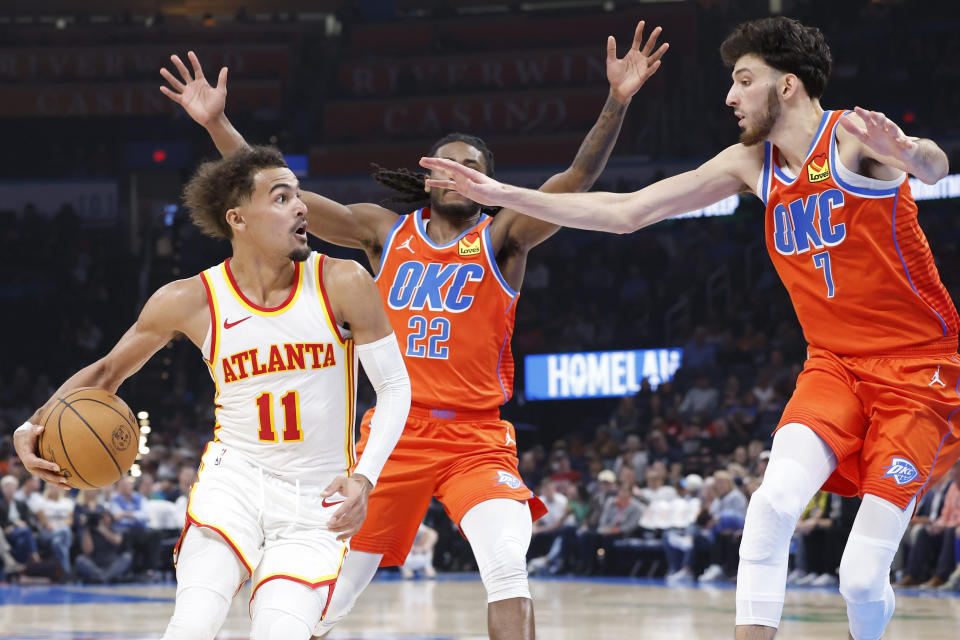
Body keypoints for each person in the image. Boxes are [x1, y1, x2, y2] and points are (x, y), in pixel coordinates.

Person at [419, 16, 957, 640]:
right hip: (833, 364)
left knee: (862, 578)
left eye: (744, 79)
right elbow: (623, 213)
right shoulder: (748, 162)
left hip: (918, 368)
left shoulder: (853, 141)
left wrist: (914, 154)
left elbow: (935, 165)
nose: (730, 96)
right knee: (770, 507)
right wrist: (499, 192)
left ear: (786, 87)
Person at [160, 20, 668, 640]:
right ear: (426, 176)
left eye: (471, 167)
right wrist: (216, 124)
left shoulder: (503, 237)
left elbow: (575, 183)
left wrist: (617, 101)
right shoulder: (381, 231)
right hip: (393, 436)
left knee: (508, 565)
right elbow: (286, 197)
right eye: (446, 164)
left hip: (477, 436)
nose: (457, 173)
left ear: (485, 183)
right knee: (327, 598)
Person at [13, 146, 411, 640]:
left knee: (279, 632)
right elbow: (108, 373)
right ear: (238, 219)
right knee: (193, 624)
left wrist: (365, 479)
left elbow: (394, 388)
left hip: (317, 495)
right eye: (282, 197)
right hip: (235, 481)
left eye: (298, 196)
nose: (302, 206)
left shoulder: (344, 281)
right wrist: (32, 426)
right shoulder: (190, 299)